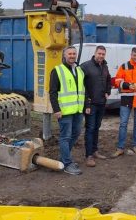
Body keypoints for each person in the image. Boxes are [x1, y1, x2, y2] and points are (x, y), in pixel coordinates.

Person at [49, 46, 85, 175]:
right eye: (69, 54)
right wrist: (56, 110)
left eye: (74, 54)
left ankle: (64, 158)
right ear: (64, 55)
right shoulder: (57, 71)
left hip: (77, 110)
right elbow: (52, 92)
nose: (72, 56)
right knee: (65, 136)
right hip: (64, 111)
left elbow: (82, 91)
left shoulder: (79, 70)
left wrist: (85, 106)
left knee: (75, 134)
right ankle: (68, 164)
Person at [80, 45, 111, 167]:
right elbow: (82, 86)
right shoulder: (85, 66)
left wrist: (107, 91)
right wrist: (86, 103)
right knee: (90, 128)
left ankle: (95, 150)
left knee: (97, 127)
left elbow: (108, 79)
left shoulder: (105, 66)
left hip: (101, 103)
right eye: (99, 54)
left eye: (103, 54)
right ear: (95, 53)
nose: (101, 56)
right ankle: (89, 156)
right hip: (90, 104)